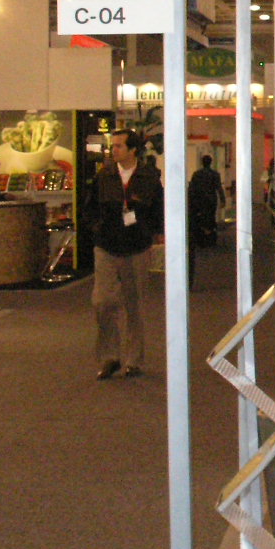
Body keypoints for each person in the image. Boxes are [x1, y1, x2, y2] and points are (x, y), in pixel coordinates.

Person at [89, 129, 162, 381]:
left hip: (136, 247)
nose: (114, 150)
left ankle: (133, 360)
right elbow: (90, 208)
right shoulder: (104, 176)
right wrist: (97, 228)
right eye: (113, 146)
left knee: (135, 305)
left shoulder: (148, 178)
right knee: (102, 302)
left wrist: (151, 233)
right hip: (106, 246)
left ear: (133, 150)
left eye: (119, 146)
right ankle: (110, 356)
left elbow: (158, 210)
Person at [186, 154, 223, 283]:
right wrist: (222, 199)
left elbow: (192, 188)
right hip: (211, 200)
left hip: (199, 200)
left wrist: (191, 201)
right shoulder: (214, 174)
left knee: (200, 219)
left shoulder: (197, 174)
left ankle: (201, 239)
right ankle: (209, 238)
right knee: (210, 219)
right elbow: (218, 187)